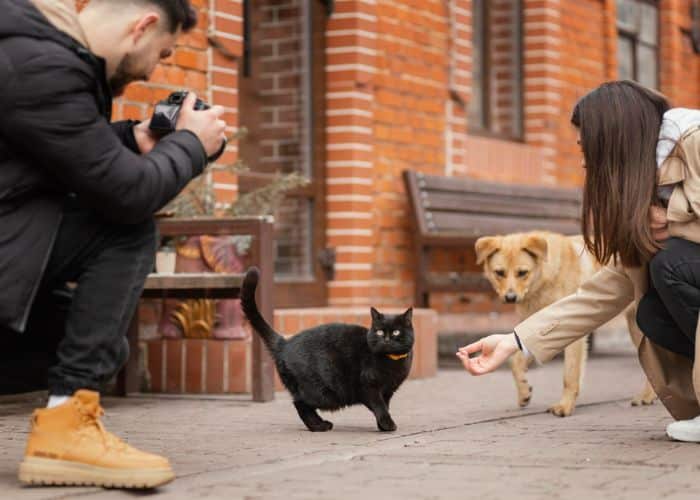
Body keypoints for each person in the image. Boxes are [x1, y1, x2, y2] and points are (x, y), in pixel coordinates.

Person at [0, 0, 227, 488]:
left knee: (83, 339)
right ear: (141, 27)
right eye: (163, 54)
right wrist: (189, 144)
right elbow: (127, 198)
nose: (153, 69)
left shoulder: (30, 53)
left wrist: (129, 139)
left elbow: (35, 164)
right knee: (123, 227)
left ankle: (69, 419)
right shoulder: (44, 65)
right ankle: (65, 433)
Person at [457, 80, 700, 443]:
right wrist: (516, 340)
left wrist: (676, 215)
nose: (585, 161)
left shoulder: (694, 142)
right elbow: (607, 289)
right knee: (649, 306)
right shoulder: (646, 185)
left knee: (672, 265)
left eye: (589, 147)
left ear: (616, 139)